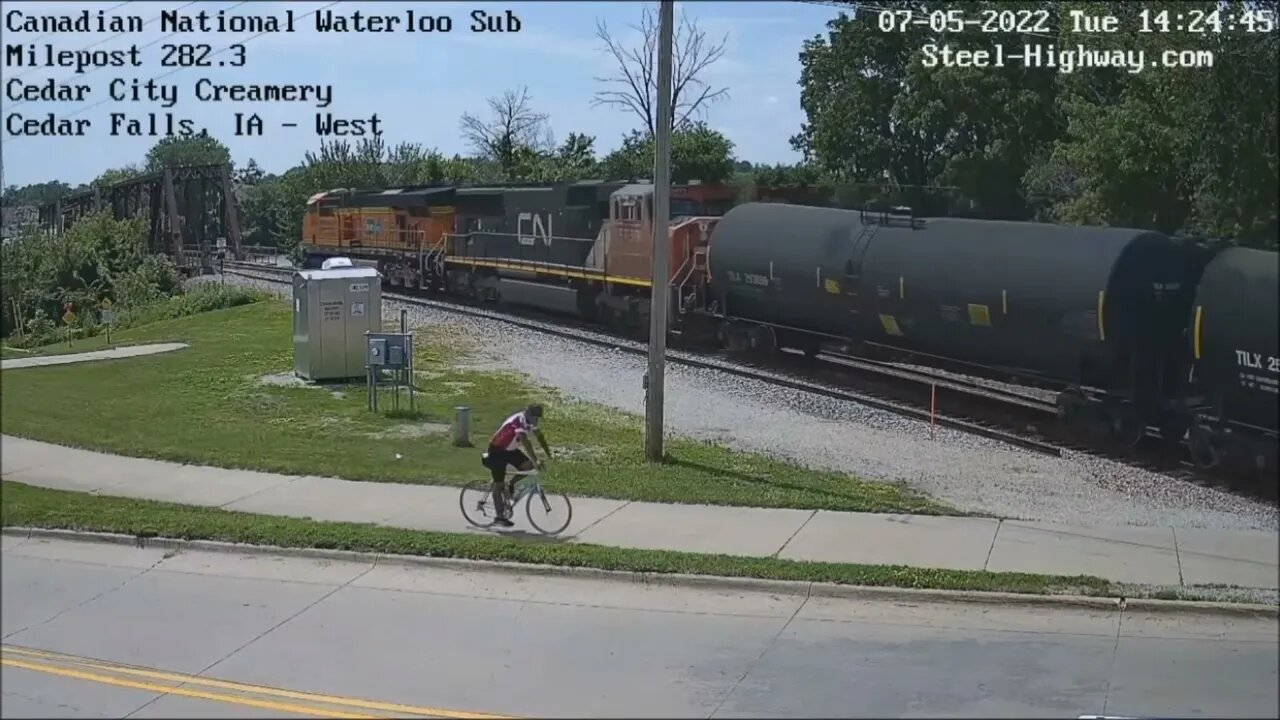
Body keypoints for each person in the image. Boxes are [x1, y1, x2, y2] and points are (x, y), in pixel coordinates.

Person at [482, 403, 552, 527]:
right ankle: (499, 517)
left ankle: (510, 484)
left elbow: (539, 436)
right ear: (528, 414)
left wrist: (548, 453)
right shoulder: (519, 420)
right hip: (497, 450)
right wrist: (536, 461)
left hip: (510, 450)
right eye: (535, 417)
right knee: (498, 485)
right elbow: (525, 442)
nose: (536, 421)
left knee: (528, 466)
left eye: (538, 418)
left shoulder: (530, 421)